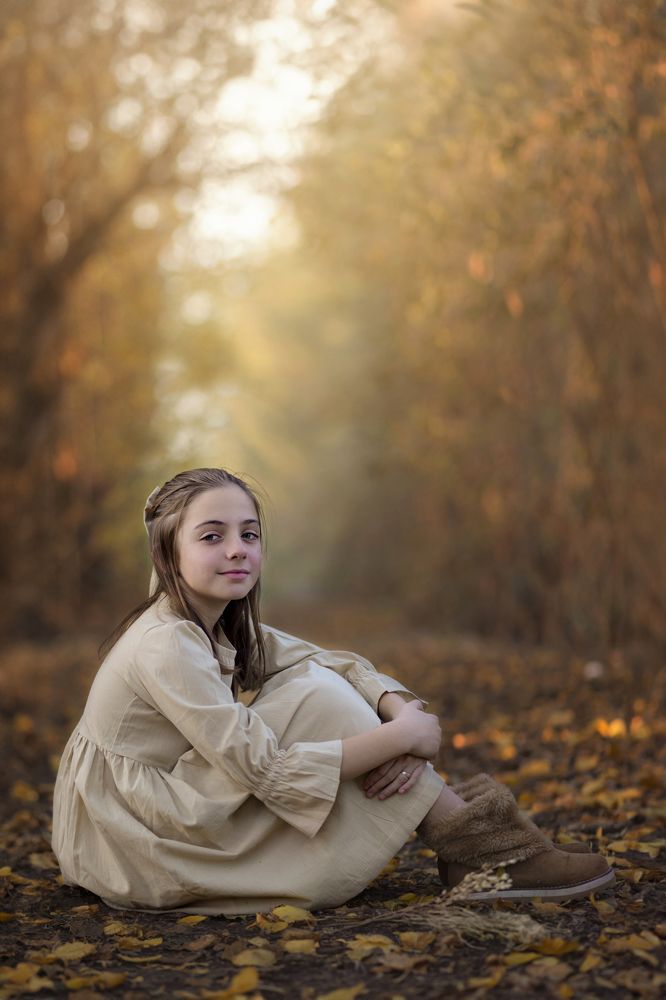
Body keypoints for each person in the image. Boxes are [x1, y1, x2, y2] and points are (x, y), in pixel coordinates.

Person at [51, 468, 614, 914]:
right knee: (319, 701)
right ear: (167, 552)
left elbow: (328, 661)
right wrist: (402, 738)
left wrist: (400, 710)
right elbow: (264, 768)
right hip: (125, 836)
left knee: (318, 682)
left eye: (249, 534)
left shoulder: (213, 620)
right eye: (211, 536)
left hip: (154, 804)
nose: (237, 549)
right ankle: (491, 852)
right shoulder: (166, 643)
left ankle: (481, 849)